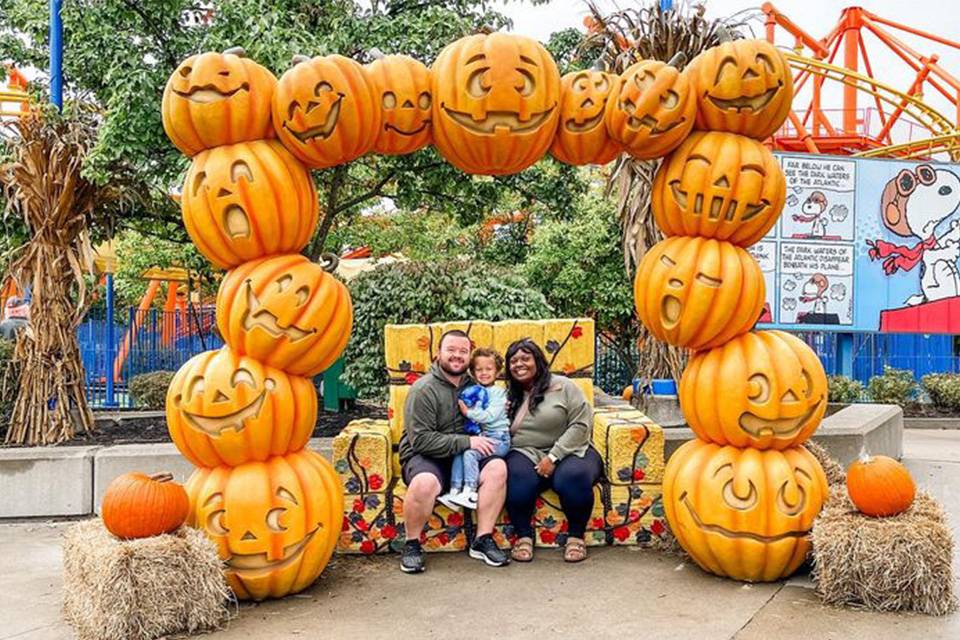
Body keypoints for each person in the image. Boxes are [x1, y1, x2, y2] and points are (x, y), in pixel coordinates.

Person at [396, 330, 509, 573]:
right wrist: (466, 443)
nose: (457, 356)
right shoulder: (423, 389)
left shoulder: (477, 386)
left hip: (467, 454)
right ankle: (412, 543)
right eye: (451, 350)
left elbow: (493, 415)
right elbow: (421, 441)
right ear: (438, 354)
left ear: (470, 356)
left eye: (463, 351)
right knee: (425, 482)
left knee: (498, 467)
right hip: (428, 455)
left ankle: (482, 539)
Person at [503, 338, 603, 564]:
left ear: (538, 360)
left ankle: (576, 537)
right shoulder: (507, 396)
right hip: (526, 451)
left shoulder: (564, 386)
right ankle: (523, 537)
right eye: (513, 360)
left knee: (571, 477)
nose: (519, 364)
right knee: (516, 476)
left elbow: (580, 424)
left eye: (525, 358)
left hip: (572, 450)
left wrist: (554, 456)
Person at [438, 348, 511, 510]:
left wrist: (468, 412)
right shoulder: (475, 391)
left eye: (489, 369)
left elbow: (491, 415)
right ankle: (455, 490)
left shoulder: (499, 394)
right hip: (483, 435)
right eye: (479, 369)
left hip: (499, 439)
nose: (484, 373)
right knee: (461, 448)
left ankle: (470, 492)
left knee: (471, 453)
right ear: (472, 372)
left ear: (498, 372)